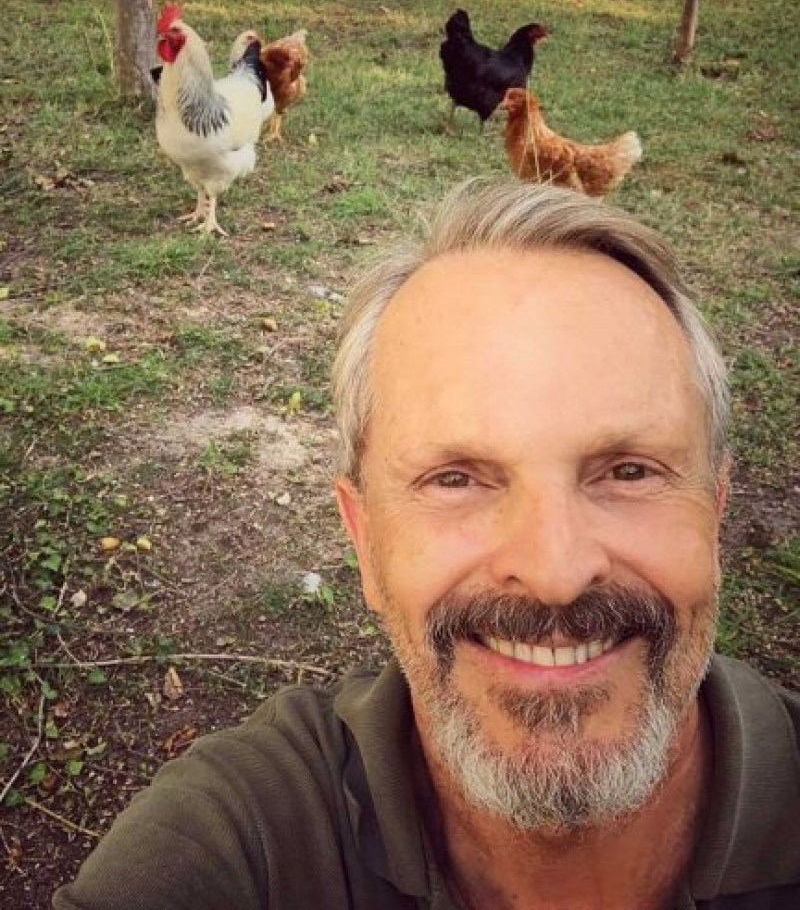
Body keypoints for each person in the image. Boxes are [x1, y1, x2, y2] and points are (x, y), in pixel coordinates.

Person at [55, 180, 799, 910]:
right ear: (365, 539)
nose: (554, 573)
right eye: (457, 480)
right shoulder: (249, 842)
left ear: (716, 510)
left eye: (628, 472)